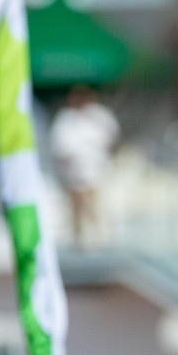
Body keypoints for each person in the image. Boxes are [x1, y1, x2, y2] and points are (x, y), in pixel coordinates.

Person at [49, 85, 120, 247]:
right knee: (77, 210)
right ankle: (79, 240)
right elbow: (61, 146)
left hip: (96, 172)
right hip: (74, 174)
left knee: (96, 208)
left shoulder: (100, 116)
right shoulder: (66, 119)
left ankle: (98, 239)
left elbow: (111, 135)